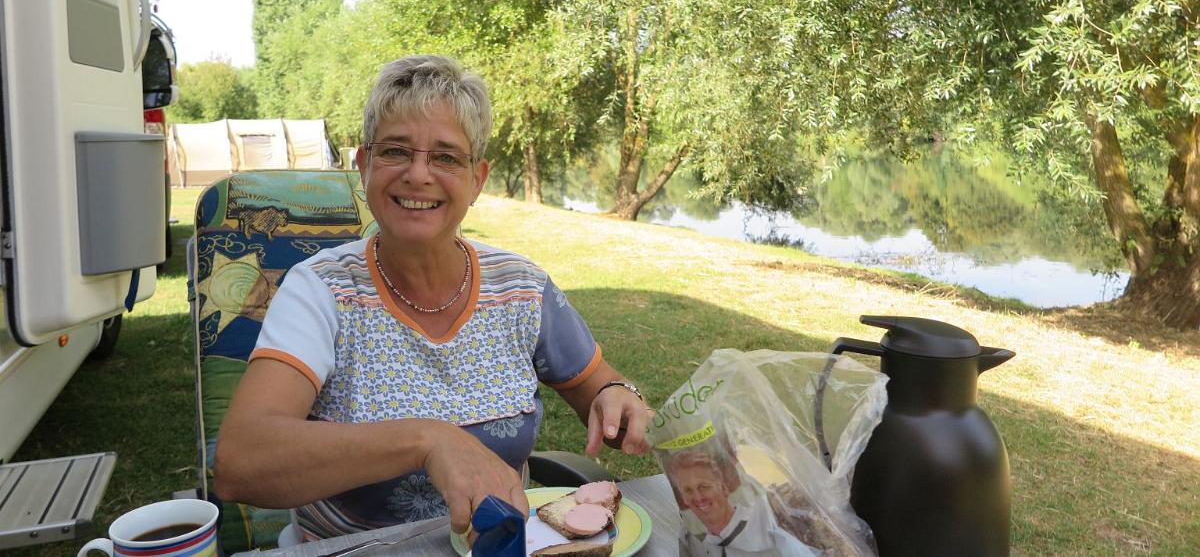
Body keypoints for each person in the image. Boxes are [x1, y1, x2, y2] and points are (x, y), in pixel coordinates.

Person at [213, 55, 650, 541]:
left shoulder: (521, 288)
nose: (418, 175)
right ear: (364, 165)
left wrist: (617, 396)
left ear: (477, 179)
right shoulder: (321, 291)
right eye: (396, 151)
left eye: (445, 157)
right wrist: (426, 440)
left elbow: (603, 389)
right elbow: (241, 462)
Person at [669, 451, 815, 557]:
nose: (697, 497)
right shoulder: (693, 542)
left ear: (723, 487)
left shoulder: (770, 531)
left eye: (704, 487)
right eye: (688, 490)